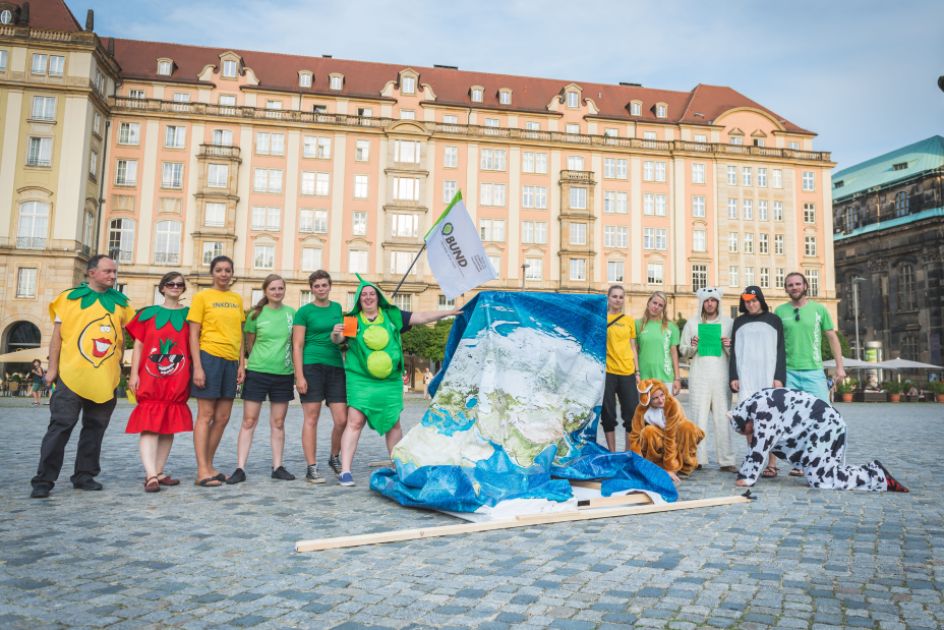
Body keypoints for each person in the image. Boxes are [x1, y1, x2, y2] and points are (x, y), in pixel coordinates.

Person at [334, 275, 460, 486]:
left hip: (389, 381)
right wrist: (335, 334)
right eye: (363, 294)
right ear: (358, 299)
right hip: (361, 380)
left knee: (393, 424)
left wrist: (447, 312)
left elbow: (420, 317)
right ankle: (345, 471)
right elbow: (339, 341)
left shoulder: (392, 315)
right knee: (354, 421)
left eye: (371, 293)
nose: (367, 297)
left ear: (378, 297)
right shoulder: (352, 320)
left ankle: (399, 467)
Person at [30, 255, 135, 498]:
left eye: (114, 271)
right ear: (91, 273)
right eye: (107, 271)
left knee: (95, 428)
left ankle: (84, 475)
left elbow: (137, 334)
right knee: (61, 426)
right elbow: (57, 338)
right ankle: (43, 479)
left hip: (105, 378)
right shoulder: (68, 299)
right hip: (71, 376)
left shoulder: (121, 303)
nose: (112, 275)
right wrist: (53, 369)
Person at [729, 388, 909, 492]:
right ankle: (870, 472)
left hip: (825, 426)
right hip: (820, 428)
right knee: (822, 474)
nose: (750, 435)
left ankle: (876, 476)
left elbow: (759, 446)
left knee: (821, 480)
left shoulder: (762, 410)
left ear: (747, 419)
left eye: (747, 431)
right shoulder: (757, 401)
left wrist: (747, 476)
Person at [125, 272, 193, 493]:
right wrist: (133, 374)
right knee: (150, 424)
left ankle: (160, 470)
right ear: (162, 287)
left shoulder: (190, 316)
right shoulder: (147, 314)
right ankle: (150, 474)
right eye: (171, 284)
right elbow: (138, 346)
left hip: (178, 376)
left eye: (179, 284)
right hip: (149, 376)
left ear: (183, 288)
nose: (175, 287)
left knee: (168, 425)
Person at [774, 272, 845, 477]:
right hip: (789, 372)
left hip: (814, 371)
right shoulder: (780, 311)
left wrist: (839, 366)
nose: (794, 287)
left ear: (805, 286)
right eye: (790, 285)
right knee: (793, 420)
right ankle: (799, 462)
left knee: (821, 417)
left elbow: (832, 337)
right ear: (786, 288)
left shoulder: (819, 309)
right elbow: (775, 344)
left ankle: (820, 460)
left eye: (798, 284)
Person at [228, 274, 296, 484]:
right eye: (273, 289)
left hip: (283, 374)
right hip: (257, 372)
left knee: (278, 422)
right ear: (265, 291)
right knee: (249, 421)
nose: (277, 292)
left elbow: (296, 344)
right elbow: (249, 344)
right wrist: (248, 365)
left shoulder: (292, 314)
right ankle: (240, 467)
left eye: (280, 288)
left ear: (284, 290)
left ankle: (278, 466)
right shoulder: (255, 315)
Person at [188, 255, 245, 488]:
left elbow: (239, 334)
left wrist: (242, 364)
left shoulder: (237, 299)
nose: (224, 274)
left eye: (227, 270)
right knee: (206, 415)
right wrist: (198, 366)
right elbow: (193, 334)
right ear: (212, 273)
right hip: (209, 357)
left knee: (222, 417)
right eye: (219, 270)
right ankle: (202, 470)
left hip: (231, 362)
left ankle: (209, 465)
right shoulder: (202, 297)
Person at [292, 270, 346, 484]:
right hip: (311, 366)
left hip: (335, 366)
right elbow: (297, 345)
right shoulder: (304, 311)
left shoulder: (338, 308)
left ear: (330, 286)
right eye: (317, 286)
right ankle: (311, 467)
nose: (321, 289)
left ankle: (334, 456)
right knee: (311, 418)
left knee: (342, 419)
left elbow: (340, 340)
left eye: (324, 285)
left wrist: (340, 334)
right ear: (311, 289)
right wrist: (299, 376)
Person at [729, 286, 786, 479]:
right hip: (746, 378)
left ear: (760, 300)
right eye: (747, 301)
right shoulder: (738, 322)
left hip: (768, 377)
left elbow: (780, 350)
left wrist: (779, 377)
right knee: (749, 422)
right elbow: (734, 353)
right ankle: (754, 458)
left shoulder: (774, 320)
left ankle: (771, 463)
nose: (751, 304)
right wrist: (733, 377)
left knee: (770, 421)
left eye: (754, 301)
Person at [679, 287, 737, 472]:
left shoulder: (729, 323)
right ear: (702, 302)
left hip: (722, 376)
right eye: (707, 300)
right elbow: (683, 350)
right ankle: (697, 458)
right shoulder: (692, 324)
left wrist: (729, 345)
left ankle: (727, 460)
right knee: (698, 418)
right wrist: (692, 346)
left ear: (718, 302)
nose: (710, 303)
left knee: (723, 418)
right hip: (699, 376)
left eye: (713, 300)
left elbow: (735, 353)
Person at [628, 378, 704, 483]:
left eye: (662, 395)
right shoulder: (641, 410)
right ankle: (656, 465)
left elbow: (670, 438)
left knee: (688, 427)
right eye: (655, 398)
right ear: (648, 400)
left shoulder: (672, 404)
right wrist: (639, 464)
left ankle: (685, 465)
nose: (660, 400)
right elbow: (634, 437)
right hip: (660, 438)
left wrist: (670, 468)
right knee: (648, 431)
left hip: (677, 436)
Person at [602, 284, 640, 452]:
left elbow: (633, 347)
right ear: (608, 298)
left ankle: (626, 453)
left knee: (631, 414)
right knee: (608, 414)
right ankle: (612, 452)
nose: (618, 299)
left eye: (621, 297)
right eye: (614, 296)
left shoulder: (629, 321)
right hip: (608, 372)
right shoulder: (602, 319)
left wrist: (637, 371)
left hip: (627, 371)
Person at [636, 291, 681, 396]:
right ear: (648, 303)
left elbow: (674, 354)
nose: (656, 307)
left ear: (663, 309)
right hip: (644, 377)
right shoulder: (638, 325)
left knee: (665, 412)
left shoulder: (671, 327)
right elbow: (635, 351)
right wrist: (636, 373)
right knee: (645, 411)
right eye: (654, 303)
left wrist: (677, 379)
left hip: (666, 377)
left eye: (660, 305)